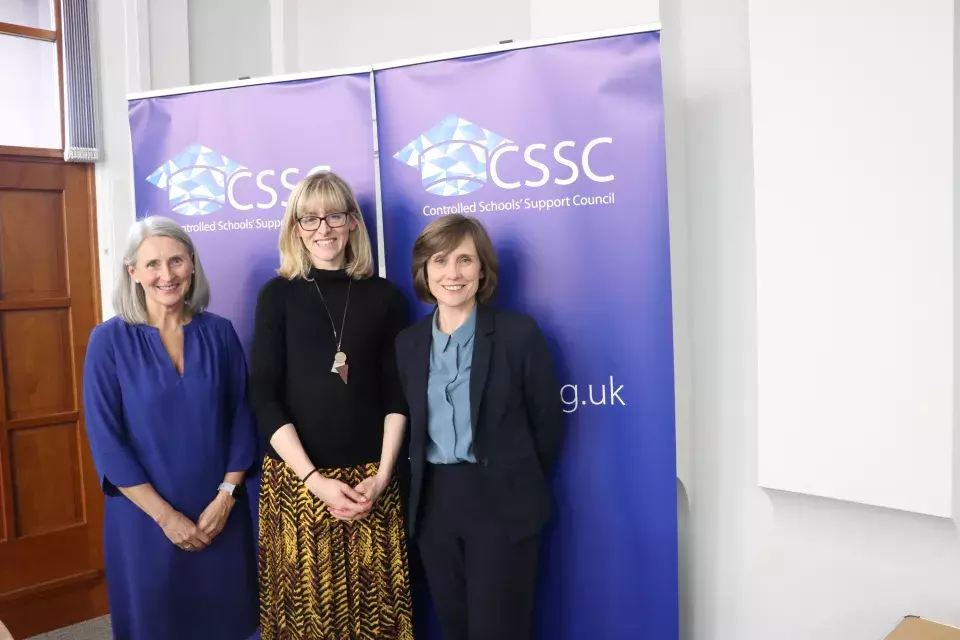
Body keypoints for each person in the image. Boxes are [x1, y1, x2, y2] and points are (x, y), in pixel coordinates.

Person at [250, 172, 413, 640]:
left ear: (354, 223)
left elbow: (395, 396)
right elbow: (264, 397)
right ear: (296, 228)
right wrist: (314, 481)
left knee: (376, 622)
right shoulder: (276, 296)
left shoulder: (385, 297)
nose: (323, 228)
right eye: (310, 218)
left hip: (370, 488)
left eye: (334, 215)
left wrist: (382, 477)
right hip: (298, 488)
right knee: (305, 625)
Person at [82, 216, 259, 640]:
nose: (166, 275)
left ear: (192, 265)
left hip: (220, 513)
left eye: (176, 260)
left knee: (228, 623)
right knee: (156, 625)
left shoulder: (220, 333)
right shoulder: (108, 342)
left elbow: (241, 419)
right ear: (133, 273)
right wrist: (166, 518)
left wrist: (227, 497)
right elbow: (107, 443)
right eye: (153, 264)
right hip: (144, 520)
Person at [395, 214, 564, 640]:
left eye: (465, 260)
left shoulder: (517, 335)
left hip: (501, 502)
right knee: (455, 628)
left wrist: (513, 476)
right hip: (435, 506)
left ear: (482, 269)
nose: (452, 273)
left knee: (498, 630)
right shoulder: (408, 344)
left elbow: (547, 425)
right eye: (440, 261)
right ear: (424, 272)